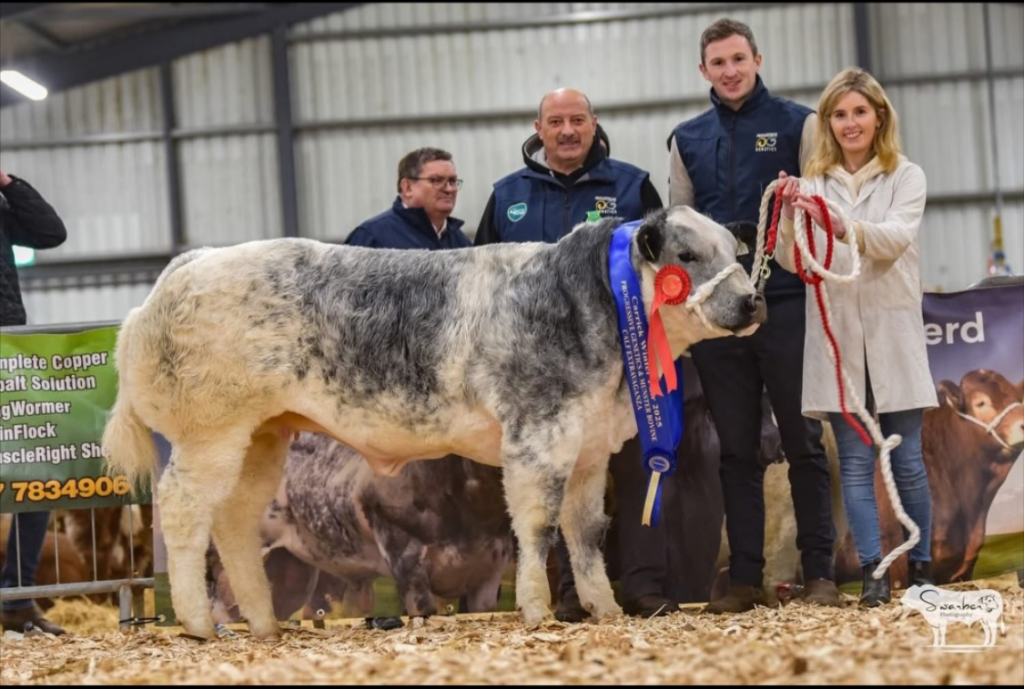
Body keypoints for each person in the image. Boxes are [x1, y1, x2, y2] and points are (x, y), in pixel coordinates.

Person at [476, 88, 672, 621]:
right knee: (552, 476)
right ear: (538, 129)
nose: (567, 130)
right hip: (536, 378)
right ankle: (569, 594)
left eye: (577, 120)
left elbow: (664, 270)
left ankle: (643, 585)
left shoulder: (632, 186)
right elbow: (481, 280)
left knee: (639, 469)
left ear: (594, 125)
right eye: (556, 121)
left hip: (621, 365)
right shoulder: (507, 194)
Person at [668, 18, 841, 613]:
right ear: (703, 71)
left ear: (757, 59)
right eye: (718, 63)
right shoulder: (686, 137)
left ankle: (821, 574)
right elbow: (679, 230)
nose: (730, 71)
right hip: (719, 317)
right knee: (736, 451)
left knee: (803, 441)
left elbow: (824, 212)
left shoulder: (800, 124)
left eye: (738, 58)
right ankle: (744, 579)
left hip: (788, 304)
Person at [775, 68, 936, 607]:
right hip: (838, 341)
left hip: (892, 337)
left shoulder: (906, 176)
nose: (849, 123)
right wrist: (784, 215)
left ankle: (922, 567)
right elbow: (792, 260)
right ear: (827, 123)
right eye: (839, 115)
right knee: (856, 463)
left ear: (879, 116)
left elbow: (892, 240)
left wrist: (844, 228)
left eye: (859, 112)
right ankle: (873, 572)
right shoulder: (813, 181)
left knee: (908, 460)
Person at [0, 168, 68, 635]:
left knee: (35, 472)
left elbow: (50, 233)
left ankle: (17, 599)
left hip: (9, 351)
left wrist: (8, 183)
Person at [346, 147, 471, 250]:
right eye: (436, 180)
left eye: (452, 181)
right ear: (408, 187)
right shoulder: (371, 237)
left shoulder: (462, 243)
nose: (449, 189)